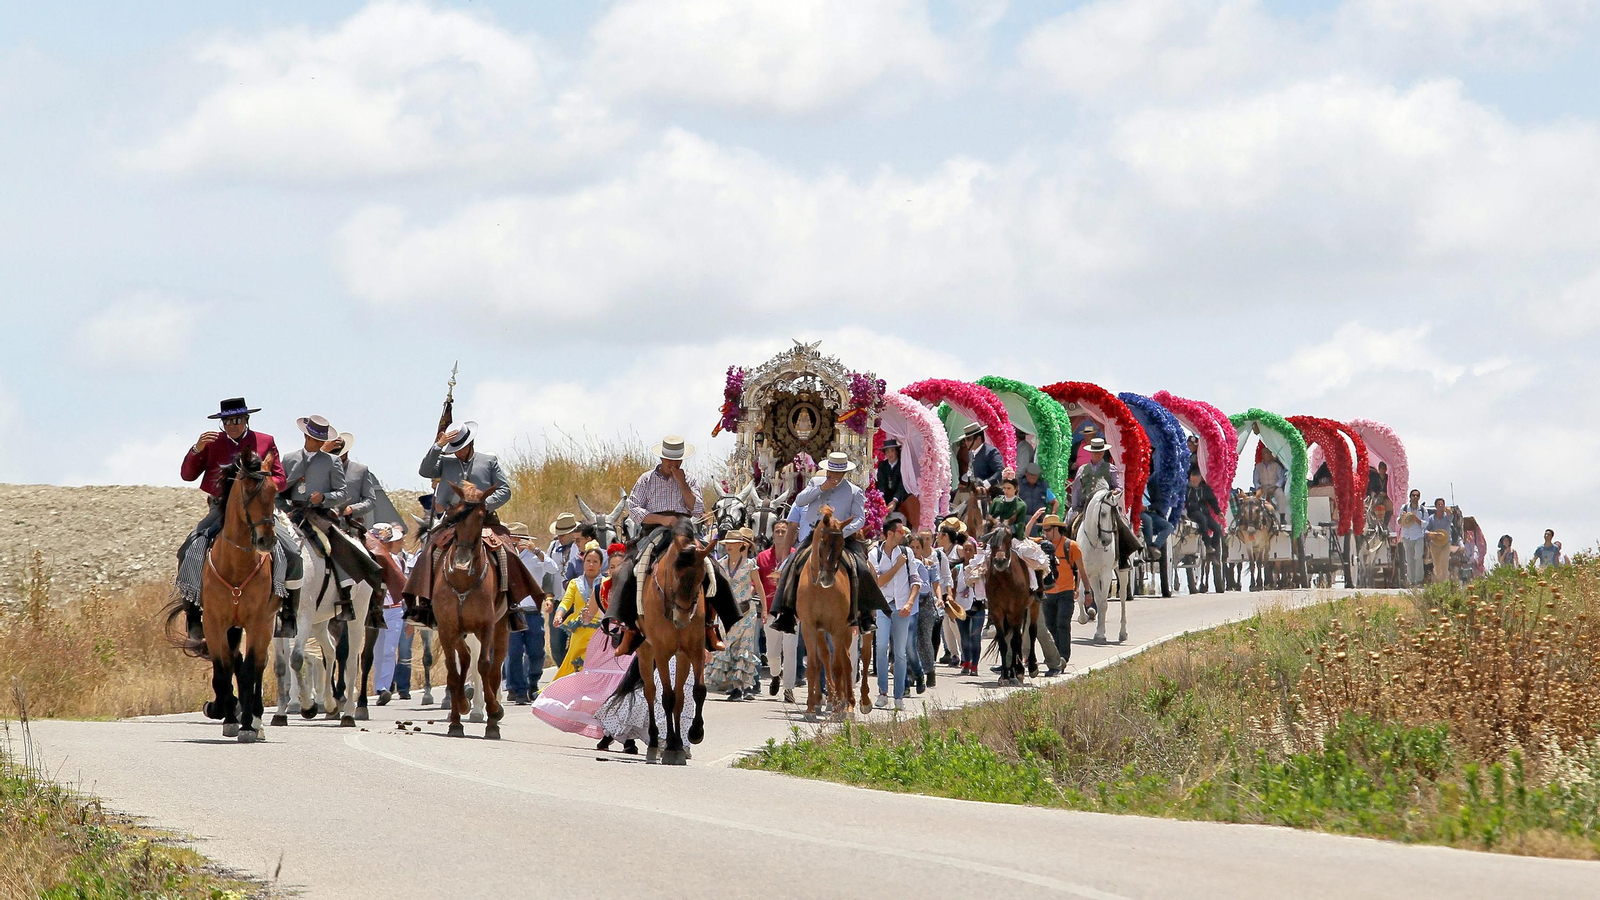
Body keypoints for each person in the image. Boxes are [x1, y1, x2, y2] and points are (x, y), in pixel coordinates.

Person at [175, 398, 295, 642]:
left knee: (291, 550)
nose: (232, 425)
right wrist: (196, 450)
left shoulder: (265, 441)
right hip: (222, 510)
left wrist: (265, 484)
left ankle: (289, 612)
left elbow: (281, 478)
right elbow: (187, 475)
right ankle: (193, 614)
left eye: (237, 420)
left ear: (246, 419)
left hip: (259, 511)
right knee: (188, 549)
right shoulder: (212, 444)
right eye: (227, 421)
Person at [608, 436, 741, 654]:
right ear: (661, 457)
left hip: (685, 529)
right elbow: (634, 509)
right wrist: (661, 520)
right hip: (655, 529)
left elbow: (697, 509)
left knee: (711, 567)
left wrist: (682, 483)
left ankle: (710, 627)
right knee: (629, 570)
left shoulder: (689, 479)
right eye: (670, 459)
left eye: (678, 460)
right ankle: (630, 628)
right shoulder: (646, 479)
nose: (674, 464)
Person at [404, 421, 534, 631]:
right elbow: (425, 470)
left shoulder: (489, 460)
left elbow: (505, 490)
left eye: (461, 447)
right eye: (453, 449)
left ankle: (512, 606)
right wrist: (438, 446)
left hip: (485, 519)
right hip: (453, 520)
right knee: (429, 551)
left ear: (471, 443)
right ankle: (425, 606)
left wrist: (482, 506)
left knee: (506, 552)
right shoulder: (445, 462)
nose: (458, 453)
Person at [769, 452, 894, 635]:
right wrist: (822, 488)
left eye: (837, 473)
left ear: (844, 473)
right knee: (792, 562)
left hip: (842, 536)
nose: (833, 476)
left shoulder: (854, 491)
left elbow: (860, 518)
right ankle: (786, 613)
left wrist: (842, 531)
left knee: (862, 567)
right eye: (830, 472)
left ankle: (865, 615)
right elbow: (799, 500)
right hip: (815, 535)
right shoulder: (815, 483)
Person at [278, 414, 367, 623]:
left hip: (319, 513)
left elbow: (342, 492)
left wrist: (324, 497)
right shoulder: (289, 459)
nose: (319, 443)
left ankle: (345, 593)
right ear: (306, 437)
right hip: (290, 513)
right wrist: (285, 510)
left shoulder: (332, 461)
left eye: (321, 440)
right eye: (315, 439)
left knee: (333, 546)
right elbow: (278, 491)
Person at [705, 528, 765, 700]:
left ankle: (740, 687)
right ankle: (734, 685)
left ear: (741, 545)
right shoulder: (720, 563)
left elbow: (759, 587)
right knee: (727, 646)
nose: (729, 547)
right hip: (726, 612)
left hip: (746, 612)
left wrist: (766, 610)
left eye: (732, 544)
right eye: (727, 544)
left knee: (743, 649)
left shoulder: (750, 564)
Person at [871, 515, 922, 710]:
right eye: (901, 531)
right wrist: (897, 566)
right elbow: (879, 582)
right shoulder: (875, 554)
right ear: (890, 533)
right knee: (881, 647)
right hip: (884, 606)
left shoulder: (907, 552)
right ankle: (883, 692)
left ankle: (898, 695)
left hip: (901, 607)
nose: (904, 534)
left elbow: (915, 580)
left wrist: (910, 602)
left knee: (900, 653)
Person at [506, 524, 554, 704]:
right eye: (513, 539)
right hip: (514, 610)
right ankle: (519, 689)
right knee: (515, 652)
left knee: (536, 652)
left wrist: (538, 551)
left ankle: (533, 682)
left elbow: (553, 569)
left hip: (533, 611)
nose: (516, 543)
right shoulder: (507, 556)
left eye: (519, 540)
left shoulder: (536, 558)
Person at [366, 523, 408, 705]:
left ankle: (384, 687)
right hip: (377, 610)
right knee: (377, 651)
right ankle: (378, 688)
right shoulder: (369, 559)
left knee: (390, 651)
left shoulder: (398, 560)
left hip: (395, 610)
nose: (391, 545)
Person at [758, 521, 799, 701]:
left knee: (790, 649)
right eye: (777, 531)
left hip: (791, 610)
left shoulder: (796, 556)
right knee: (772, 653)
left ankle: (789, 688)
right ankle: (775, 674)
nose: (781, 534)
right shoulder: (762, 557)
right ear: (772, 534)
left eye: (784, 531)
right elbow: (756, 583)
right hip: (770, 609)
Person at [553, 544, 606, 679]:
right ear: (583, 563)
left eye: (595, 562)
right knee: (574, 664)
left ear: (601, 565)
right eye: (588, 561)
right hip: (579, 631)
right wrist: (559, 615)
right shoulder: (574, 584)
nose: (591, 565)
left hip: (600, 631)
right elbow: (566, 602)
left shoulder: (607, 583)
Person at [1039, 515, 1082, 668]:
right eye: (1042, 529)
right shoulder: (1041, 544)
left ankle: (1063, 656)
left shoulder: (1071, 546)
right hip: (1048, 593)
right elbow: (1024, 538)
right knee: (1050, 625)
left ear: (1056, 529)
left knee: (1062, 623)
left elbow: (1081, 571)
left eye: (1047, 529)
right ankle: (1056, 657)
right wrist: (1034, 519)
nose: (1044, 533)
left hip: (1066, 592)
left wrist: (1083, 591)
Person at [544, 512, 584, 672]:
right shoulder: (553, 547)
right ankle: (565, 671)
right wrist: (548, 595)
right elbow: (547, 573)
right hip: (558, 602)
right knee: (556, 645)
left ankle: (575, 674)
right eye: (558, 534)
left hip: (577, 602)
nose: (559, 537)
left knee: (577, 642)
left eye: (563, 534)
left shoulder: (581, 547)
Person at [1185, 465, 1223, 551]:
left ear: (1200, 479)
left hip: (1205, 513)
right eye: (1191, 481)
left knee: (1217, 529)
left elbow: (1212, 501)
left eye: (1194, 482)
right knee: (1202, 520)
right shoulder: (1187, 489)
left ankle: (1213, 549)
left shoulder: (1205, 489)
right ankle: (1207, 543)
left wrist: (1219, 512)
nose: (1192, 484)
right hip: (1193, 512)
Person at [1252, 443, 1288, 524]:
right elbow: (1255, 480)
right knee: (1257, 497)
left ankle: (1282, 518)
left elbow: (1281, 478)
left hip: (1274, 487)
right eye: (1267, 453)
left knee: (1280, 494)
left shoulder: (1276, 466)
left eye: (1269, 453)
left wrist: (1276, 486)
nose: (1269, 455)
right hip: (1263, 487)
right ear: (1263, 455)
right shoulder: (1258, 467)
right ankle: (1258, 518)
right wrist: (1260, 488)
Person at [1398, 490, 1427, 586]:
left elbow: (1425, 524)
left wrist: (1416, 519)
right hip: (1407, 536)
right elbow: (1398, 521)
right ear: (1410, 497)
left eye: (1417, 495)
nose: (1415, 497)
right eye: (1413, 495)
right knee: (1409, 559)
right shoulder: (1404, 507)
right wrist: (1403, 517)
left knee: (1418, 557)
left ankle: (1419, 580)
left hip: (1418, 536)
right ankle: (1411, 581)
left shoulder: (1422, 510)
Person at [1017, 463, 1057, 535]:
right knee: (1031, 522)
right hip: (1023, 517)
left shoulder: (1043, 486)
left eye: (1035, 475)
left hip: (1040, 518)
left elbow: (1055, 502)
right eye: (1031, 474)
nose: (1033, 477)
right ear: (1026, 474)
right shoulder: (1019, 485)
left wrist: (1052, 515)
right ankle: (1033, 543)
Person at [875, 438, 909, 515]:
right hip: (886, 497)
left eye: (892, 450)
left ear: (896, 451)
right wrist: (881, 499)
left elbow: (902, 484)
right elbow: (881, 483)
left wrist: (894, 500)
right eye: (887, 451)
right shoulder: (882, 465)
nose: (890, 454)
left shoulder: (902, 465)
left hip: (900, 498)